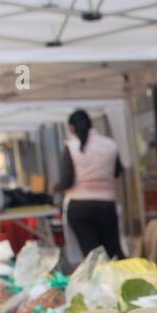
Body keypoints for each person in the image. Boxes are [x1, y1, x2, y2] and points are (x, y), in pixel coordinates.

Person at [58, 109, 125, 260]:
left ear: (72, 128)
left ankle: (99, 282)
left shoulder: (71, 146)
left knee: (92, 254)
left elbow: (67, 180)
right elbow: (117, 172)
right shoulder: (110, 144)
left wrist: (55, 187)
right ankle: (124, 279)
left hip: (79, 206)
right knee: (113, 249)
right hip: (106, 205)